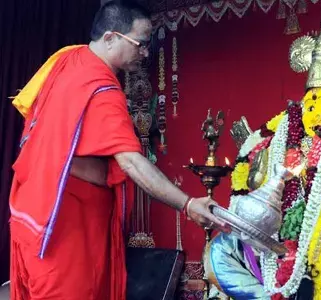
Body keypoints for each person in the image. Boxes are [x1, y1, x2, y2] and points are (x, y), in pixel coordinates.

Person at [8, 1, 227, 299]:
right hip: (67, 229)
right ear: (110, 37)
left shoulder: (66, 58)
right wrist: (188, 204)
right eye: (141, 44)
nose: (145, 53)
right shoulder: (102, 89)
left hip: (32, 211)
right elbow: (132, 163)